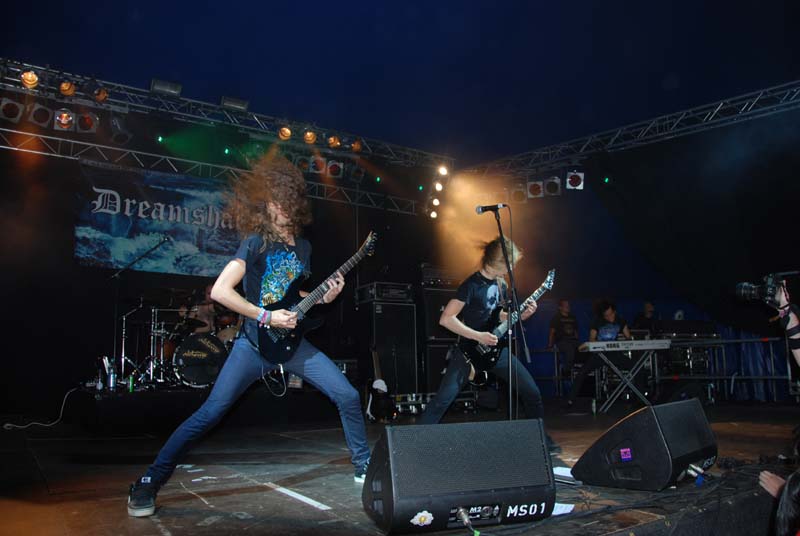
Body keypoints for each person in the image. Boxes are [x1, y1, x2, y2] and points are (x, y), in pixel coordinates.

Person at [127, 155, 371, 518]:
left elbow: (293, 296)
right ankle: (149, 481)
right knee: (210, 412)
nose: (281, 208)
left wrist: (324, 296)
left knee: (348, 395)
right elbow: (221, 291)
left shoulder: (303, 248)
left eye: (287, 202)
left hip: (291, 345)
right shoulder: (255, 242)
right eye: (275, 202)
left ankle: (363, 465)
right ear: (267, 204)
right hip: (254, 345)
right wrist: (266, 316)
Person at [416, 237, 559, 452]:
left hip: (496, 351)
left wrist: (522, 315)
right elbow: (446, 319)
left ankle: (540, 440)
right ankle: (414, 443)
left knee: (532, 393)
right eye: (509, 264)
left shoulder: (501, 284)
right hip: (469, 353)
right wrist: (478, 336)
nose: (512, 269)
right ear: (497, 263)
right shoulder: (471, 285)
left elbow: (498, 316)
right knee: (442, 401)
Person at [565, 300, 631, 406]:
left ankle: (641, 399)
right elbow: (591, 339)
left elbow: (628, 338)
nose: (609, 317)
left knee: (637, 367)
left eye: (610, 314)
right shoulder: (597, 322)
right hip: (599, 354)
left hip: (615, 354)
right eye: (606, 315)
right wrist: (599, 344)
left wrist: (626, 342)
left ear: (614, 312)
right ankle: (570, 400)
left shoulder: (620, 321)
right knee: (581, 373)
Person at [548, 299, 579, 387]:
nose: (568, 307)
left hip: (573, 340)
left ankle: (579, 369)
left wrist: (577, 340)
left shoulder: (573, 317)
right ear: (560, 307)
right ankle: (565, 371)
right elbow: (552, 332)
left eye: (568, 305)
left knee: (583, 348)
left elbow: (576, 331)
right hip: (562, 341)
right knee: (569, 350)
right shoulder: (556, 318)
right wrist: (550, 345)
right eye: (565, 305)